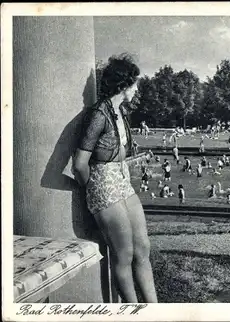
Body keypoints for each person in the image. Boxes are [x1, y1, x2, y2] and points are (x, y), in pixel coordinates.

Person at [73, 54, 157, 303]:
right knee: (124, 254)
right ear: (123, 85)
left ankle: (156, 310)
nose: (137, 89)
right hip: (102, 184)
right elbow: (79, 165)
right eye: (135, 84)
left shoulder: (120, 112)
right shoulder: (99, 114)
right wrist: (94, 188)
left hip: (121, 181)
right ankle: (133, 311)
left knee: (143, 250)